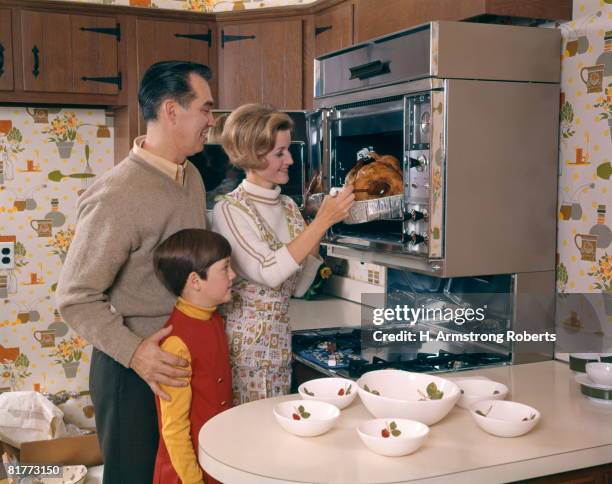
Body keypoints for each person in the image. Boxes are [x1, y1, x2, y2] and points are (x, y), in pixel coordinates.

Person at [56, 60, 216, 484]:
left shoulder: (192, 177)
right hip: (132, 373)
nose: (211, 121)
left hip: (181, 363)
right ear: (171, 110)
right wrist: (136, 353)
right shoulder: (116, 195)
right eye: (205, 108)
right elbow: (75, 296)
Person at [212, 103, 354, 405]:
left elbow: (299, 287)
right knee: (252, 439)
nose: (289, 159)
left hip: (279, 343)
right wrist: (321, 222)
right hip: (246, 351)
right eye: (279, 153)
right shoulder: (230, 209)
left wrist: (319, 224)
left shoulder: (288, 206)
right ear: (252, 155)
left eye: (288, 150)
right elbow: (270, 272)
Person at [152, 228, 235, 484]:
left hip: (215, 460)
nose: (233, 275)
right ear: (195, 281)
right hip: (188, 473)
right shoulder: (177, 343)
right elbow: (174, 431)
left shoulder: (214, 319)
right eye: (225, 268)